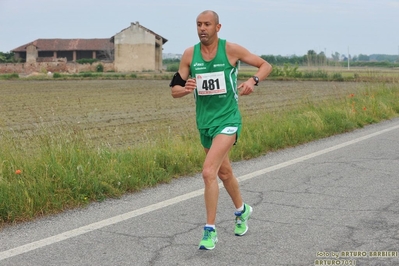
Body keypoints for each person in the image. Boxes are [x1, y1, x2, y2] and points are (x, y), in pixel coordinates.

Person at [169, 10, 272, 250]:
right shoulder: (188, 55)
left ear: (218, 27)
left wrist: (252, 81)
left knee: (208, 172)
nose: (202, 28)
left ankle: (209, 231)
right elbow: (174, 89)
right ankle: (242, 210)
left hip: (228, 119)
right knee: (224, 174)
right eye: (198, 24)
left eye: (207, 24)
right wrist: (185, 89)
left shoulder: (230, 50)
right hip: (205, 123)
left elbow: (265, 65)